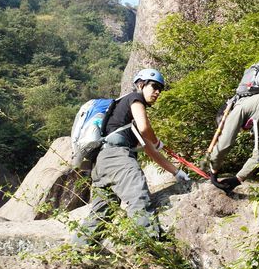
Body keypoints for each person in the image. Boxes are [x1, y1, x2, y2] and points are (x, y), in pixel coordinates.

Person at [73, 68, 190, 246]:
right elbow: (145, 129)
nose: (158, 92)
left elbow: (151, 151)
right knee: (138, 193)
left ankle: (78, 250)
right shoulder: (134, 99)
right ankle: (150, 244)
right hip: (116, 157)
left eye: (161, 89)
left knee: (103, 212)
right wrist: (157, 140)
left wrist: (176, 173)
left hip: (101, 164)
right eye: (154, 86)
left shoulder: (125, 119)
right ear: (141, 84)